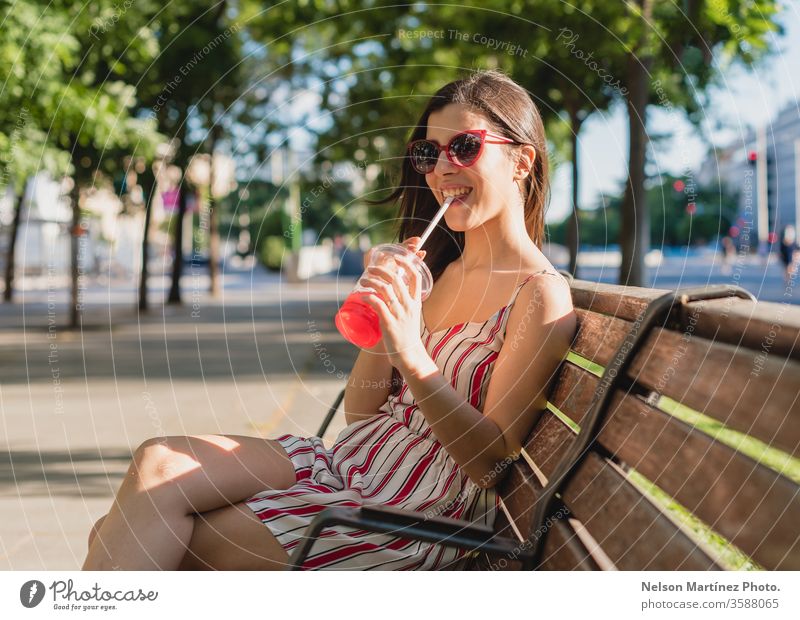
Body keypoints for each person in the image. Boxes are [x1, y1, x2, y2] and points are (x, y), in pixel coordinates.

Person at [82, 70, 576, 571]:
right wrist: (385, 321)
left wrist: (410, 349)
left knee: (139, 537)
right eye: (429, 153)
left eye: (465, 147)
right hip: (349, 463)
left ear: (521, 161)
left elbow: (490, 463)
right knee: (157, 461)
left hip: (410, 515)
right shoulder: (438, 271)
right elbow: (361, 415)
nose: (442, 168)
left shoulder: (539, 296)